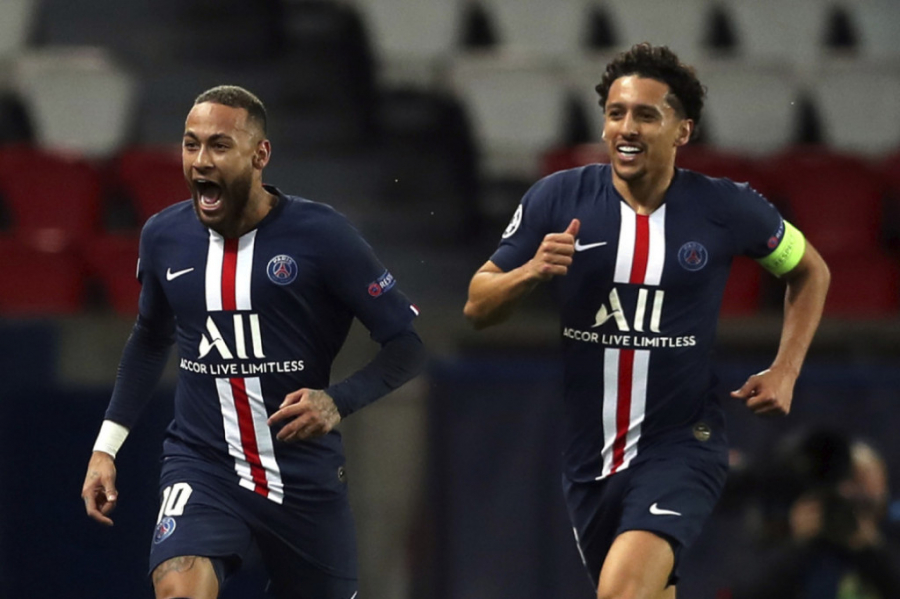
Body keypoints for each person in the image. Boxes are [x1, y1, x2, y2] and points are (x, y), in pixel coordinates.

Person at [463, 43, 830, 599]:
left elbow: (810, 271)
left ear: (682, 130)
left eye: (645, 115)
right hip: (589, 458)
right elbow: (477, 306)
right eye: (616, 113)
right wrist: (531, 272)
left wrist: (786, 369)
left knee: (622, 593)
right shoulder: (558, 197)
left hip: (681, 445)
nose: (626, 129)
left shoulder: (725, 208)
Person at [81, 85, 426, 599]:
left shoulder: (323, 235)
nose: (201, 161)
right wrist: (105, 449)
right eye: (191, 144)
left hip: (302, 476)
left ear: (260, 155)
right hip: (203, 465)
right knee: (178, 590)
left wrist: (336, 401)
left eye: (219, 145)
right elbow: (150, 338)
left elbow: (407, 344)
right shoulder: (163, 237)